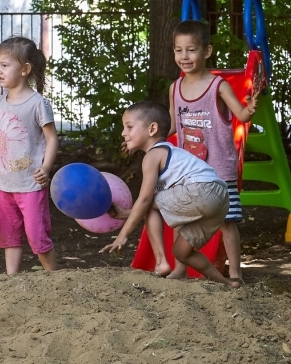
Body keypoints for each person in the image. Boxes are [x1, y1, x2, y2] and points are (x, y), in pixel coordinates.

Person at [100, 100, 242, 289]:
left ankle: (161, 262)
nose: (123, 133)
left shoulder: (153, 156)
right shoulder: (172, 153)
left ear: (152, 129)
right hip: (219, 199)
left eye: (129, 127)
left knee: (149, 203)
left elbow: (145, 200)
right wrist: (126, 213)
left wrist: (122, 235)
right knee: (182, 252)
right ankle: (227, 283)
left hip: (201, 190)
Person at [167, 19, 259, 281]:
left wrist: (250, 109)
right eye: (178, 50)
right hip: (187, 170)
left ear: (206, 51)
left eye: (191, 50)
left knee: (227, 221)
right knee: (180, 218)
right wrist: (147, 135)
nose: (184, 56)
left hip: (219, 168)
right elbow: (172, 126)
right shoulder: (175, 88)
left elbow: (241, 115)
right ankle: (180, 269)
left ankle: (235, 273)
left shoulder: (218, 86)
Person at [0, 36, 59, 275]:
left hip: (31, 185)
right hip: (5, 185)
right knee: (9, 237)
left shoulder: (38, 103)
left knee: (37, 237)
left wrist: (46, 168)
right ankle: (11, 281)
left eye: (5, 65)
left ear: (25, 69)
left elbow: (52, 139)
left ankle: (56, 280)